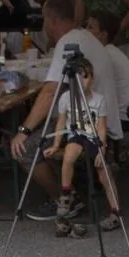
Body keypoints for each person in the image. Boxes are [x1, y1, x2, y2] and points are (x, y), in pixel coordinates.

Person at [10, 0, 122, 226]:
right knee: (47, 131)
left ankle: (66, 200)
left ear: (52, 19)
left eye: (44, 20)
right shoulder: (84, 37)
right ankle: (69, 189)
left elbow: (50, 92)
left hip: (90, 118)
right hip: (101, 113)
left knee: (25, 148)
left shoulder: (69, 42)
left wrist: (24, 129)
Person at [43, 55, 114, 235]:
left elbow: (102, 127)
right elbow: (61, 122)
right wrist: (56, 143)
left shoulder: (98, 100)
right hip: (75, 135)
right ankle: (66, 194)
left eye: (87, 76)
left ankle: (115, 211)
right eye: (79, 77)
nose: (84, 81)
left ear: (92, 78)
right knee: (69, 156)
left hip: (93, 137)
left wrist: (101, 147)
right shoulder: (66, 98)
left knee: (103, 171)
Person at [87, 11, 129, 125]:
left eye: (90, 27)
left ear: (103, 34)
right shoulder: (111, 51)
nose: (86, 31)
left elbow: (92, 87)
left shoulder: (104, 54)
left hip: (123, 115)